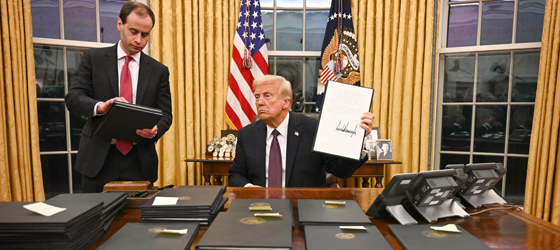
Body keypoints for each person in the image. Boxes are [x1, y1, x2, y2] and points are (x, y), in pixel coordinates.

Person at [65, 2, 172, 193]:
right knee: (96, 220)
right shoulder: (93, 59)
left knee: (138, 220)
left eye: (145, 34)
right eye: (133, 31)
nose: (138, 39)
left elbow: (166, 114)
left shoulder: (159, 71)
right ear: (119, 24)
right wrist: (101, 106)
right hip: (98, 160)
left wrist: (156, 129)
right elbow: (73, 98)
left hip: (139, 162)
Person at [229, 75, 374, 187]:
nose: (260, 102)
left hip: (305, 206)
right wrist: (249, 187)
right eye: (257, 96)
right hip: (260, 207)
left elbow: (341, 171)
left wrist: (358, 140)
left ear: (285, 103)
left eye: (267, 96)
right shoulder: (247, 134)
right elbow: (236, 174)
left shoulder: (313, 129)